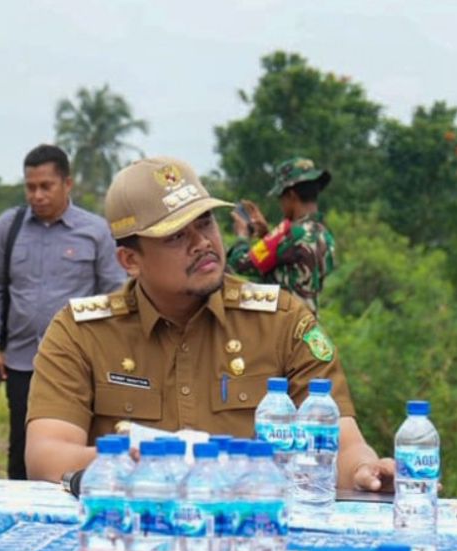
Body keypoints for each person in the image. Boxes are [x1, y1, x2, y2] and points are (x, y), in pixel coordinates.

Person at [25, 156, 393, 490]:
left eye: (206, 223)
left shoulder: (282, 322)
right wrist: (146, 459)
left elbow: (342, 444)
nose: (202, 243)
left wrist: (366, 469)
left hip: (254, 539)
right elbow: (46, 455)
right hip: (131, 539)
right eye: (176, 235)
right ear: (130, 260)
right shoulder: (81, 332)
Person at [0, 144, 125, 481]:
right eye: (30, 187)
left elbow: (116, 294)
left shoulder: (96, 231)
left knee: (77, 446)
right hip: (21, 359)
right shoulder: (8, 227)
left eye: (46, 186)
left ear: (67, 184)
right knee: (23, 448)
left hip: (80, 364)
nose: (37, 195)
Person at [227, 156, 335, 314]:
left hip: (283, 327)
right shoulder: (324, 234)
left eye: (281, 199)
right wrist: (266, 236)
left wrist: (242, 236)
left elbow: (241, 264)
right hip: (308, 323)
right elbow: (287, 266)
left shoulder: (291, 233)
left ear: (291, 196)